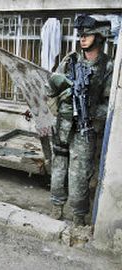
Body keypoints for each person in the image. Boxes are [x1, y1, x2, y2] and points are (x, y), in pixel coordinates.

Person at [48, 15, 114, 226]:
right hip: (63, 125)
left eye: (87, 34)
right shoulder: (71, 60)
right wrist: (66, 89)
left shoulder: (108, 66)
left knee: (79, 173)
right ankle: (56, 206)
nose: (82, 38)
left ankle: (78, 215)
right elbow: (51, 86)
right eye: (80, 35)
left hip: (86, 127)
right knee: (59, 167)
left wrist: (93, 112)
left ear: (100, 36)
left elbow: (111, 105)